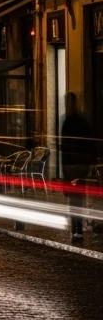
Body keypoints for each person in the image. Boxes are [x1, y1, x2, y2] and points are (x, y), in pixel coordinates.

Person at [60, 92, 93, 243]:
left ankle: (76, 230)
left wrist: (65, 172)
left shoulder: (67, 122)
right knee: (79, 197)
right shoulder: (82, 121)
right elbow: (88, 144)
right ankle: (79, 228)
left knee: (73, 199)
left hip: (71, 165)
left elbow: (65, 149)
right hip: (81, 165)